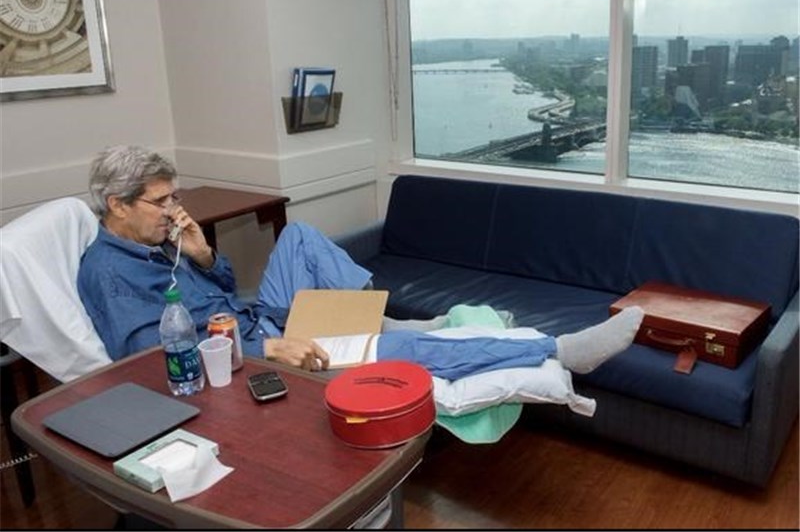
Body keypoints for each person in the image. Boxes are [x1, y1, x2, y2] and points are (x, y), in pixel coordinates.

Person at [78, 145, 644, 382]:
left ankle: (380, 320)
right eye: (162, 201)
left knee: (300, 237)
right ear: (118, 206)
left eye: (174, 197)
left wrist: (204, 257)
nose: (174, 211)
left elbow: (223, 293)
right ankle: (558, 350)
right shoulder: (110, 274)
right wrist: (267, 350)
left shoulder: (161, 244)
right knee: (413, 351)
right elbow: (153, 359)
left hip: (257, 319)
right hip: (252, 351)